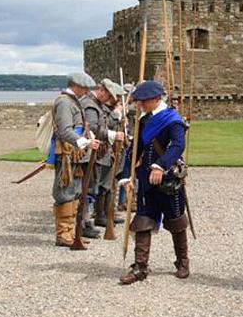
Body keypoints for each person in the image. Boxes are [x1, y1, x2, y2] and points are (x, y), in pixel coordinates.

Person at [120, 80, 190, 285]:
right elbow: (134, 151)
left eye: (143, 101)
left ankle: (183, 261)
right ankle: (140, 267)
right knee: (143, 221)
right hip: (146, 180)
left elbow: (178, 145)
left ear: (156, 99)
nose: (140, 105)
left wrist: (161, 166)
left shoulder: (173, 120)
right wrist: (127, 176)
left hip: (168, 179)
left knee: (176, 221)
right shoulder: (143, 121)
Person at [52, 72, 100, 247]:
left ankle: (72, 232)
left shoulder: (73, 102)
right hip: (66, 154)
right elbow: (65, 131)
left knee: (75, 193)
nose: (86, 91)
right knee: (65, 193)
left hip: (75, 155)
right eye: (84, 88)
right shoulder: (64, 102)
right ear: (76, 85)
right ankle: (63, 234)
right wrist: (85, 142)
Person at [80, 79, 125, 238]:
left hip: (99, 151)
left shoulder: (96, 105)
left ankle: (89, 221)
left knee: (94, 189)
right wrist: (112, 134)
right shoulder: (90, 105)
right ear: (102, 91)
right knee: (88, 190)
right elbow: (93, 128)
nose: (110, 100)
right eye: (109, 96)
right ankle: (84, 224)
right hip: (91, 152)